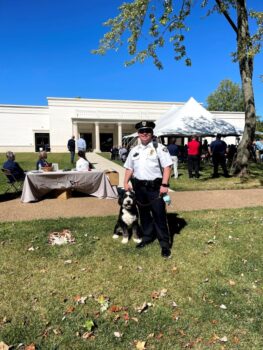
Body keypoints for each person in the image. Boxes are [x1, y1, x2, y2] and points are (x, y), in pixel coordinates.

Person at [124, 120, 173, 258]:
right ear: (138, 134)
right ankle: (147, 237)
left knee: (159, 215)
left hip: (155, 188)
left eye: (147, 131)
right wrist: (125, 181)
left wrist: (164, 185)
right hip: (139, 187)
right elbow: (129, 168)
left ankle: (164, 244)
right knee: (144, 214)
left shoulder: (159, 148)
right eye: (141, 132)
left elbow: (167, 167)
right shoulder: (134, 150)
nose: (144, 134)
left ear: (152, 133)